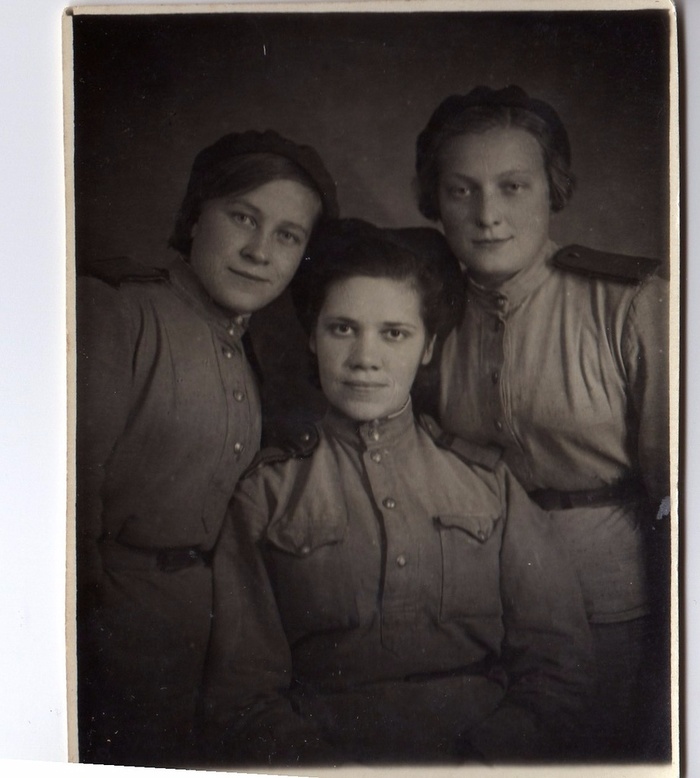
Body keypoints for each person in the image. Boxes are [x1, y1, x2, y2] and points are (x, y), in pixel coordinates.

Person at [202, 218, 592, 767]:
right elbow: (242, 696)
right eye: (342, 329)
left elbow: (560, 667)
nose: (365, 357)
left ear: (428, 346)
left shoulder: (489, 483)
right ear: (312, 337)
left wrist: (485, 762)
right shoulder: (266, 494)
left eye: (394, 333)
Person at [413, 85, 671, 760]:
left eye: (513, 186)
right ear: (435, 202)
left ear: (552, 190)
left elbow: (681, 499)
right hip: (477, 608)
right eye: (461, 190)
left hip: (612, 604)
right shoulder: (420, 312)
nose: (487, 215)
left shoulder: (630, 304)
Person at [75, 129, 338, 767]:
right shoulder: (117, 309)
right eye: (243, 218)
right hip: (111, 624)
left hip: (212, 627)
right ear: (196, 214)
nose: (259, 251)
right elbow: (61, 504)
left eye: (287, 235)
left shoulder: (253, 343)